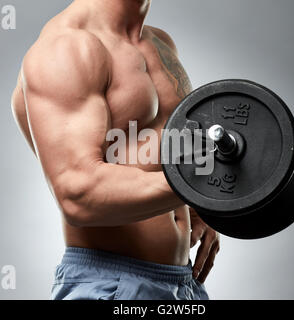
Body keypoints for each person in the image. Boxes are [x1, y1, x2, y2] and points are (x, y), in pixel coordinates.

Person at [11, 0, 220, 300]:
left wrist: (203, 209)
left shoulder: (160, 43)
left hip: (182, 283)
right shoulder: (66, 48)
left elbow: (169, 154)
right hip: (110, 286)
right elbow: (79, 194)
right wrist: (202, 190)